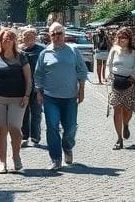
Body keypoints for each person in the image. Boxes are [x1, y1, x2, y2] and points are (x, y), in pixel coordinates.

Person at [33, 21, 88, 171]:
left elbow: (82, 71)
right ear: (49, 36)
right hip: (50, 97)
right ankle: (55, 158)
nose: (56, 37)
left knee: (70, 127)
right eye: (53, 34)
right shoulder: (44, 53)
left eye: (59, 34)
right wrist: (38, 91)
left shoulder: (73, 51)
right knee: (52, 127)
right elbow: (38, 75)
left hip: (70, 97)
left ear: (64, 35)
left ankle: (67, 146)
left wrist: (81, 89)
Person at [0, 27, 32, 173]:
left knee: (15, 128)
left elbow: (28, 79)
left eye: (11, 38)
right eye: (5, 38)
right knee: (0, 130)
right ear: (0, 40)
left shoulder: (21, 57)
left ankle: (16, 156)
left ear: (15, 41)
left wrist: (27, 95)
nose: (8, 40)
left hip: (17, 98)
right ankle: (2, 162)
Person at [105, 26, 135, 149]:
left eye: (124, 38)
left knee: (127, 109)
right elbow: (108, 64)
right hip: (115, 81)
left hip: (129, 82)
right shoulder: (114, 50)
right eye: (119, 37)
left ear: (129, 39)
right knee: (117, 108)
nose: (122, 40)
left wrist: (133, 77)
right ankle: (119, 138)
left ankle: (126, 124)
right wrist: (107, 76)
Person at [19, 27, 44, 148]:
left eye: (30, 36)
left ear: (35, 38)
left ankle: (35, 135)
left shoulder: (41, 51)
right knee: (23, 112)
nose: (27, 39)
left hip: (36, 86)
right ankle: (24, 136)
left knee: (36, 111)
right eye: (25, 37)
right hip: (21, 86)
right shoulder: (19, 51)